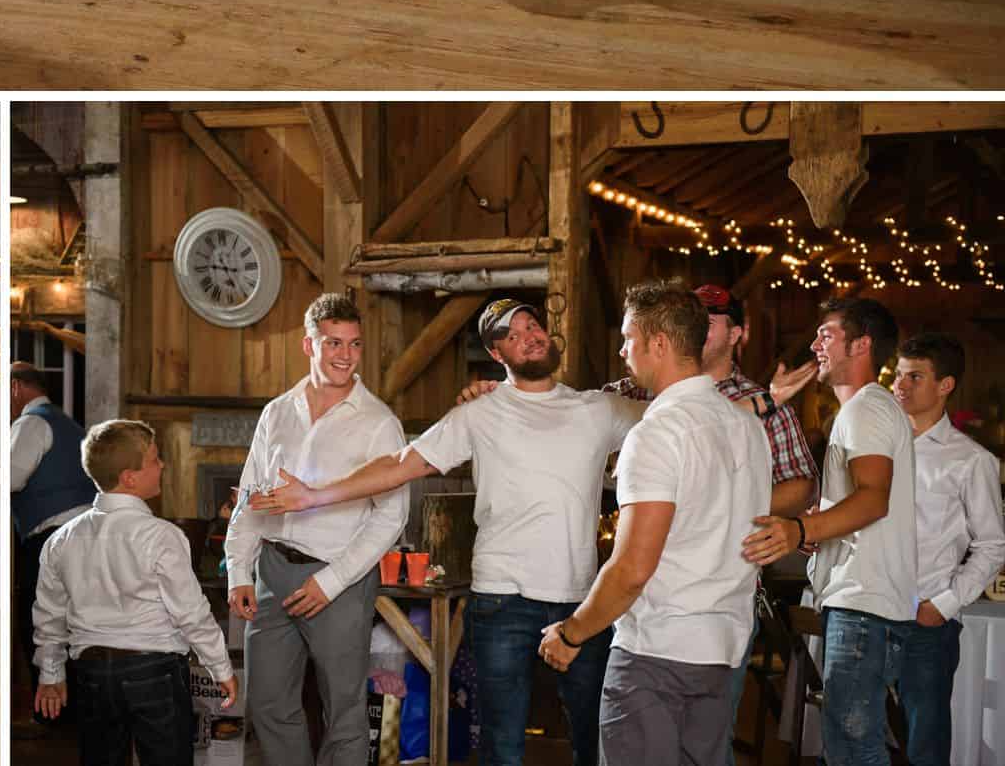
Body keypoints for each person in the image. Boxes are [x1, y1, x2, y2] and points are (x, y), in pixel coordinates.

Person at [251, 297, 644, 766]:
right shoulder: (479, 412)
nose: (528, 337)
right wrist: (314, 496)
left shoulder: (599, 409)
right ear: (497, 355)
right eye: (511, 335)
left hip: (582, 601)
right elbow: (401, 464)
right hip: (500, 600)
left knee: (596, 738)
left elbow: (677, 413)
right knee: (501, 749)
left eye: (531, 326)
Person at [536, 283, 770, 766]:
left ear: (659, 344)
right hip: (723, 647)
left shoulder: (657, 433)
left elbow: (633, 568)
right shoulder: (747, 426)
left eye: (629, 339)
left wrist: (572, 633)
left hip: (658, 651)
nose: (622, 351)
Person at [222, 293, 403, 766]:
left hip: (340, 578)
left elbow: (391, 516)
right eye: (333, 343)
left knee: (343, 712)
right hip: (272, 571)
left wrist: (332, 581)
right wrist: (239, 570)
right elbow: (251, 494)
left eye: (355, 344)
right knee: (268, 704)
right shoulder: (277, 412)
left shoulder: (379, 423)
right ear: (309, 345)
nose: (346, 355)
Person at [744, 296, 916, 766]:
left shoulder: (866, 410)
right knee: (848, 745)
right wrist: (822, 525)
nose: (815, 345)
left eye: (827, 335)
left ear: (861, 345)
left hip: (863, 604)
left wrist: (800, 528)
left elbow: (874, 498)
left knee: (853, 749)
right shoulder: (865, 410)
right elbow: (866, 502)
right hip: (864, 602)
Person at [31, 418, 236, 766]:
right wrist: (221, 667)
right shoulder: (161, 536)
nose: (163, 466)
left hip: (92, 674)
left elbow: (49, 615)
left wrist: (51, 673)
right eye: (155, 459)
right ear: (129, 477)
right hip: (154, 673)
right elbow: (191, 613)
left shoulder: (61, 539)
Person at [888, 332, 1005, 766]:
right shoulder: (877, 448)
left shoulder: (971, 460)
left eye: (915, 377)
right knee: (858, 740)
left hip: (925, 623)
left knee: (925, 747)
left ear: (946, 385)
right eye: (898, 375)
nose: (900, 386)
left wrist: (944, 604)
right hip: (868, 612)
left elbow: (992, 545)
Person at [9, 363, 93, 715]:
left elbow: (12, 478)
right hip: (85, 533)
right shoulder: (70, 425)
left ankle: (50, 712)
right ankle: (75, 709)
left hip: (50, 535)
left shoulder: (32, 423)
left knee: (40, 621)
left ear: (16, 387)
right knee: (73, 621)